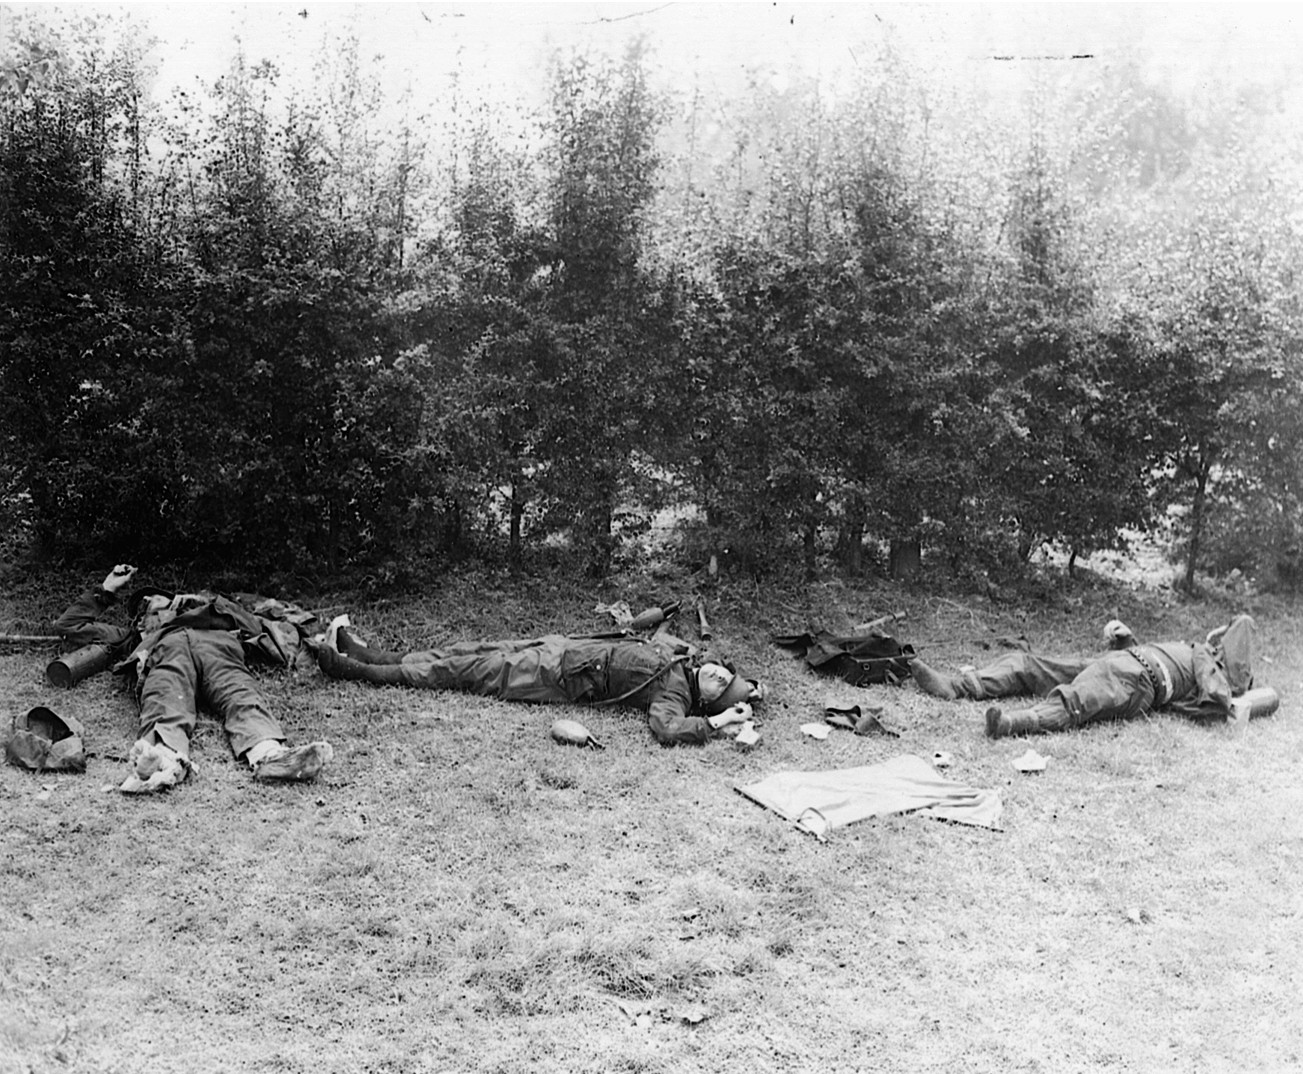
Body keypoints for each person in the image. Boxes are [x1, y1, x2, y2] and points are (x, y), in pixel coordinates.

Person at [54, 564, 333, 792]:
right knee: (164, 697)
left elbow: (253, 625)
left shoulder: (212, 613)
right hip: (166, 653)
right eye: (143, 608)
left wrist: (211, 606)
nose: (150, 603)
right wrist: (106, 589)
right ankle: (162, 762)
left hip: (217, 646)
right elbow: (68, 627)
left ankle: (269, 755)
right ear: (139, 622)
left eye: (156, 598)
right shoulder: (136, 637)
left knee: (240, 692)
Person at [308, 620, 763, 746]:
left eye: (722, 685)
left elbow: (667, 728)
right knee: (465, 652)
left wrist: (724, 718)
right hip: (559, 646)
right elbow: (665, 634)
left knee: (456, 673)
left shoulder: (675, 694)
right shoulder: (684, 660)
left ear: (708, 701)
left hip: (553, 676)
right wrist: (753, 688)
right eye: (724, 673)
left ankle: (355, 670)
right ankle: (369, 653)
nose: (720, 675)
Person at [908, 615, 1259, 738]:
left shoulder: (1210, 668)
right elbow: (1161, 662)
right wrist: (1127, 639)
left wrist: (1227, 696)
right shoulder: (1199, 653)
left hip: (1135, 682)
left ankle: (1011, 724)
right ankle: (956, 687)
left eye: (1224, 639)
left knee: (1076, 701)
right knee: (1033, 664)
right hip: (1121, 661)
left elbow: (1214, 698)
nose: (1216, 638)